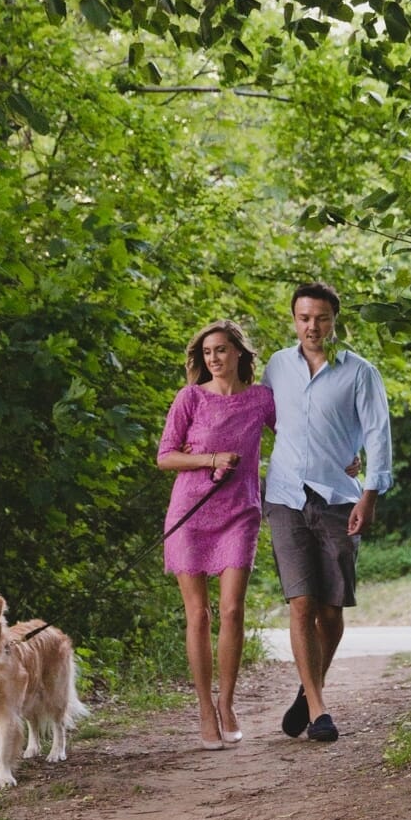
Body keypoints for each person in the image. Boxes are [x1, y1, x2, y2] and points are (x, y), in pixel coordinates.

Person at [263, 282, 393, 743]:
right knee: (301, 603)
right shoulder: (276, 366)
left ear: (335, 320)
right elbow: (262, 418)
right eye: (303, 318)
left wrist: (370, 492)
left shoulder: (360, 373)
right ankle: (320, 710)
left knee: (330, 610)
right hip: (285, 497)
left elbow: (378, 435)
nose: (312, 326)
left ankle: (307, 691)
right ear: (294, 319)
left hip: (340, 498)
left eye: (320, 317)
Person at [157, 320, 276, 749]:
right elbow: (165, 457)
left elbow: (300, 438)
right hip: (190, 512)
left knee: (231, 610)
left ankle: (227, 702)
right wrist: (209, 459)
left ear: (239, 353)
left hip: (241, 512)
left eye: (222, 350)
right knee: (198, 615)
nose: (214, 358)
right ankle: (204, 709)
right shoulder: (189, 398)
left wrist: (343, 461)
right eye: (207, 352)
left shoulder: (262, 398)